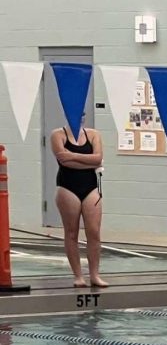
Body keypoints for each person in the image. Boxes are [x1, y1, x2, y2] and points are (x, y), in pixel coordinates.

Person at [50, 124, 107, 289]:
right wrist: (88, 161)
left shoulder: (93, 134)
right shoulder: (58, 134)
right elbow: (63, 160)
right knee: (71, 232)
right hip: (67, 187)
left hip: (91, 187)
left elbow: (98, 159)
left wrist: (72, 156)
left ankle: (95, 275)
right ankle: (78, 276)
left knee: (94, 233)